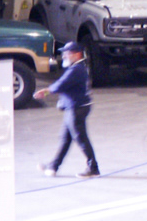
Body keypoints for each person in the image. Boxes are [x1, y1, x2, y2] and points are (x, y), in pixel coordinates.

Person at [34, 40, 100, 177]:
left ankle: (93, 168)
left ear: (77, 54)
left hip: (77, 109)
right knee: (65, 139)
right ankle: (53, 166)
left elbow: (61, 84)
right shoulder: (76, 67)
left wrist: (46, 91)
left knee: (81, 139)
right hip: (73, 108)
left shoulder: (76, 69)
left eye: (67, 53)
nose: (64, 56)